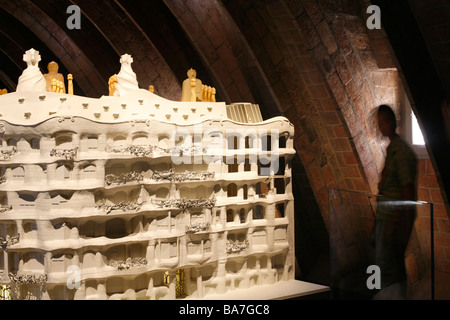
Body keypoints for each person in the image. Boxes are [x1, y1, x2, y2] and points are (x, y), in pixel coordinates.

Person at [373, 104, 418, 299]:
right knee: (383, 269)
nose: (381, 126)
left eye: (383, 122)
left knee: (390, 271)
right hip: (386, 221)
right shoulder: (393, 149)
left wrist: (404, 229)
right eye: (378, 123)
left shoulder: (400, 151)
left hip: (393, 222)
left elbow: (407, 193)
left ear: (392, 122)